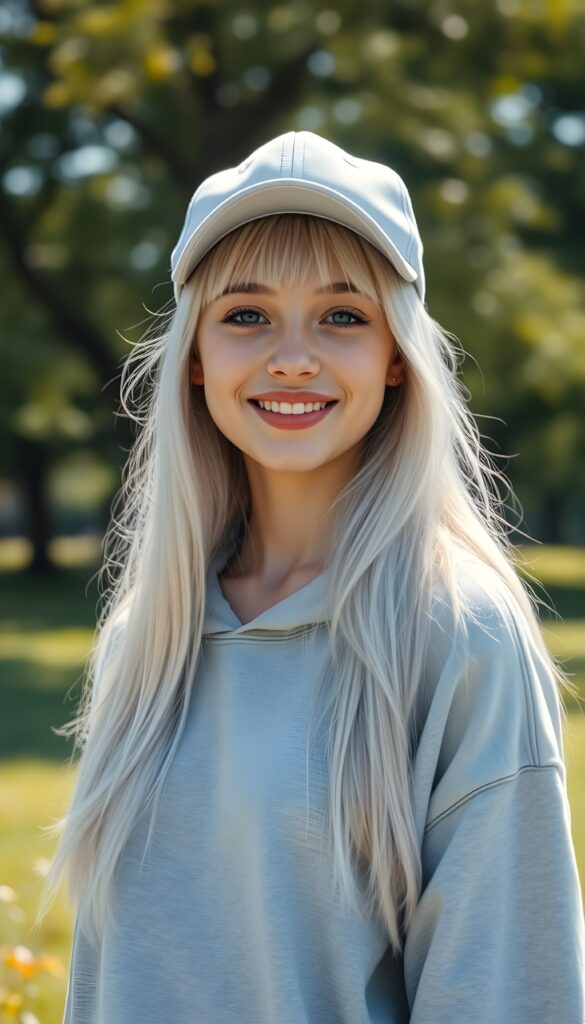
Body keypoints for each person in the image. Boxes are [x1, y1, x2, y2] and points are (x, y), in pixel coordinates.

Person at [36, 131, 584, 1023]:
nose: (292, 356)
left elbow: (507, 996)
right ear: (196, 355)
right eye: (246, 315)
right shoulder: (151, 629)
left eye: (342, 316)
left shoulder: (457, 629)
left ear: (396, 354)